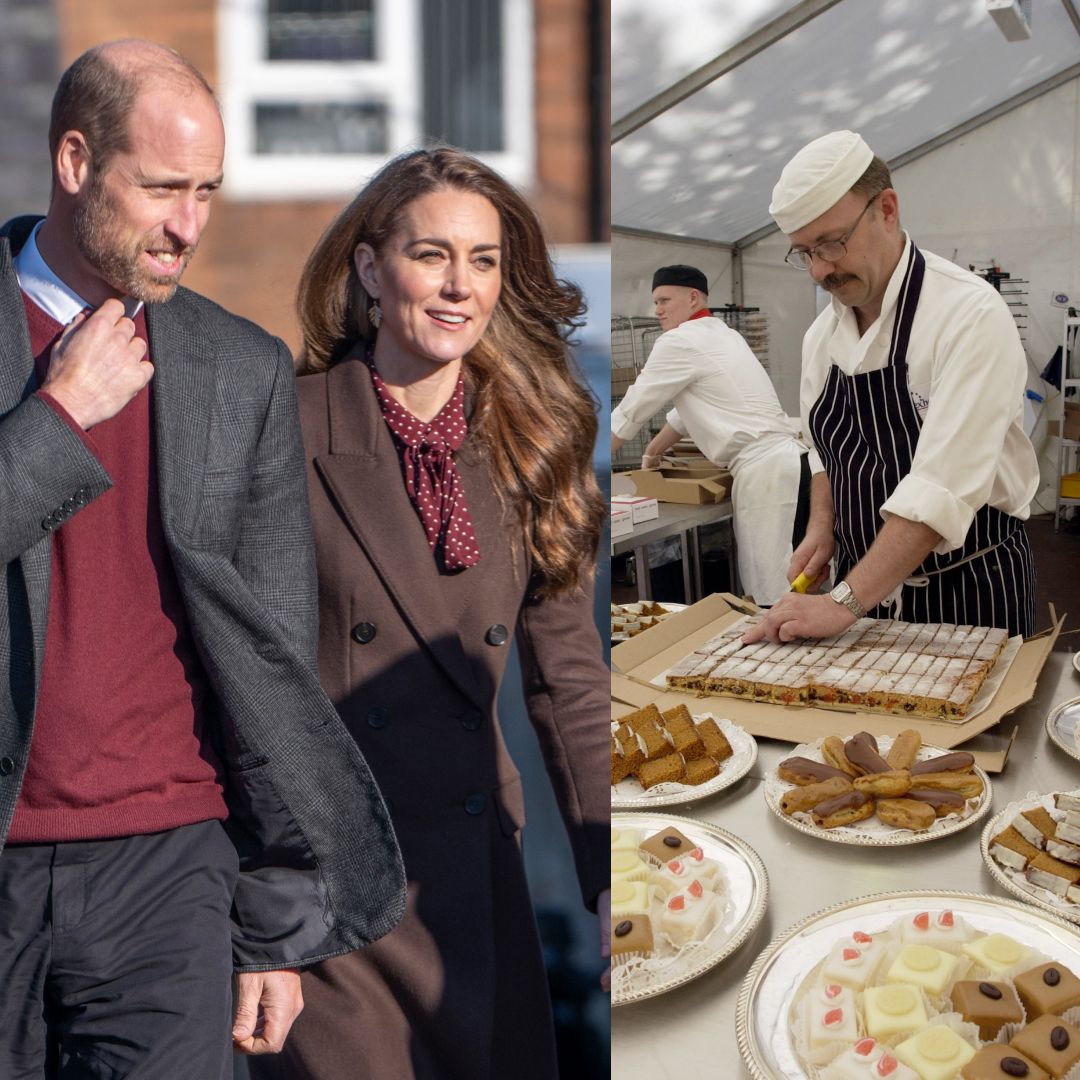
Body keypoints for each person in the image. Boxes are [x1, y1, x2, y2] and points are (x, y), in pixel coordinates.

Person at [0, 41, 405, 1078]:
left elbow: (270, 657)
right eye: (163, 187)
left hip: (169, 868)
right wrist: (58, 419)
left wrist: (274, 919)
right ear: (77, 162)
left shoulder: (242, 369)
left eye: (209, 192)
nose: (189, 224)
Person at [247, 147, 611, 1080]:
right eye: (432, 255)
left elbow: (571, 682)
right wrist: (266, 923)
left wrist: (611, 873)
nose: (460, 286)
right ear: (370, 268)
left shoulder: (537, 442)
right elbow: (241, 684)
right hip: (332, 894)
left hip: (476, 880)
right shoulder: (283, 425)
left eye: (484, 261)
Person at [745, 130, 1038, 647]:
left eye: (833, 243)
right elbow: (823, 453)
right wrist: (823, 527)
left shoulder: (967, 314)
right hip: (862, 596)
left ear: (886, 208)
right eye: (804, 253)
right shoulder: (822, 338)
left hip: (968, 591)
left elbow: (940, 486)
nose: (821, 271)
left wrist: (842, 604)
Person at [610, 264, 809, 604]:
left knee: (772, 596)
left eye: (664, 300)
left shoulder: (678, 341)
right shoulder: (723, 335)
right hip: (798, 466)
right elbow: (685, 415)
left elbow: (632, 408)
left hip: (767, 474)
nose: (657, 310)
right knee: (801, 584)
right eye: (655, 302)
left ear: (692, 298)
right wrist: (652, 454)